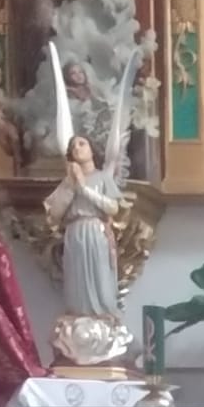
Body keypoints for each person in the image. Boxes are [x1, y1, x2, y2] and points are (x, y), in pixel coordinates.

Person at [44, 132, 124, 321]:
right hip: (75, 232)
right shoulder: (68, 182)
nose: (77, 148)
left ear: (92, 149)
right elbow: (54, 213)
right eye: (73, 147)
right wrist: (72, 185)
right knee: (77, 279)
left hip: (96, 230)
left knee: (100, 276)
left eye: (82, 144)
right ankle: (79, 315)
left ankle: (104, 314)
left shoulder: (103, 177)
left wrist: (85, 190)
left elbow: (113, 207)